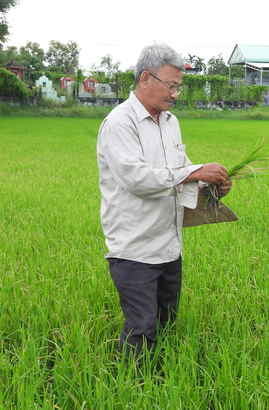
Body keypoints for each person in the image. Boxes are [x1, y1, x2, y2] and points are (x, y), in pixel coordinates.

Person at [96, 43, 232, 362]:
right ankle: (136, 390)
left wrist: (208, 186)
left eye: (178, 87)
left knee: (167, 326)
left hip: (170, 246)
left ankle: (167, 383)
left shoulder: (170, 122)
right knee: (142, 330)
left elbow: (178, 172)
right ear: (146, 78)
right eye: (170, 85)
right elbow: (139, 179)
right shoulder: (120, 123)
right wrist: (194, 172)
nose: (174, 94)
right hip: (135, 250)